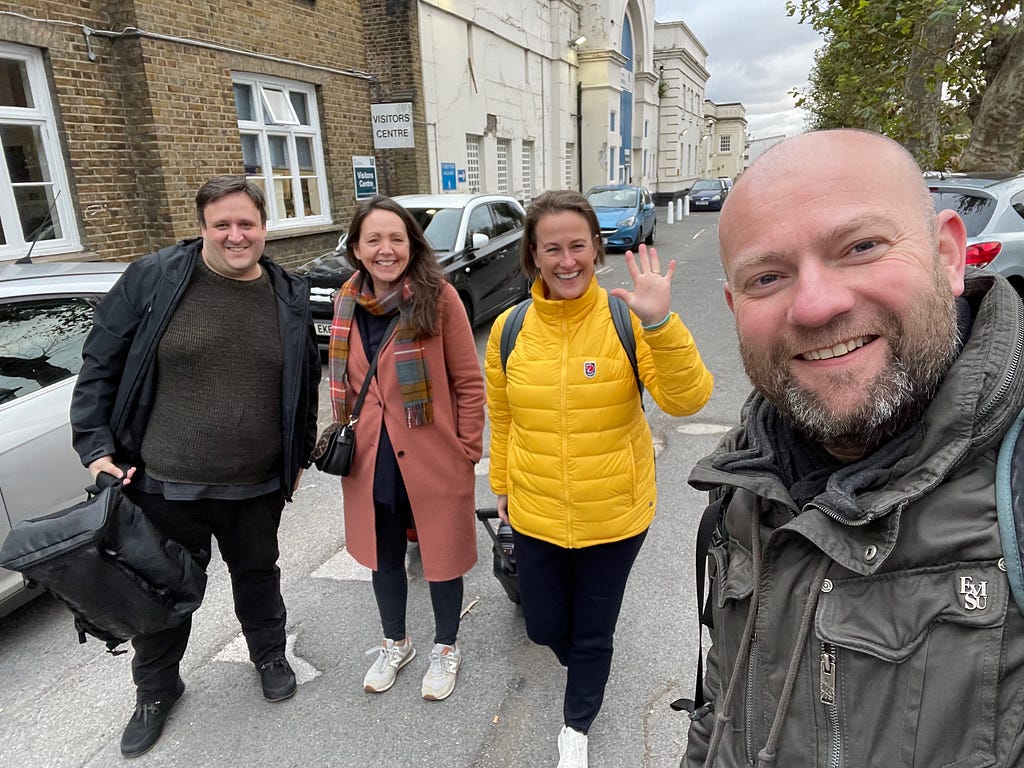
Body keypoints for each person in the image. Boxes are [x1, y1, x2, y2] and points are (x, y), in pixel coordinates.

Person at [683, 129, 1024, 768]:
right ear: (734, 306)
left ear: (949, 255)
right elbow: (722, 708)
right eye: (767, 276)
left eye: (861, 246)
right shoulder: (745, 484)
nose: (814, 305)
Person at [70, 176, 321, 758]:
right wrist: (95, 445)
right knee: (160, 589)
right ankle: (156, 690)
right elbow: (101, 361)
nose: (236, 235)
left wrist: (299, 453)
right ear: (203, 226)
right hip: (163, 481)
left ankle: (269, 654)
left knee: (258, 575)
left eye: (247, 224)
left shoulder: (286, 292)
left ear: (264, 227)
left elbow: (304, 382)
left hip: (256, 484)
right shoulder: (155, 278)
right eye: (222, 225)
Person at [485, 189, 714, 767]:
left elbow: (688, 399)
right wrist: (504, 488)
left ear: (595, 249)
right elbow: (504, 418)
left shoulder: (626, 318)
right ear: (533, 256)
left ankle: (575, 728)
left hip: (615, 514)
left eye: (578, 246)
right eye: (552, 248)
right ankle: (585, 665)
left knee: (592, 633)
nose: (567, 261)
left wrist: (661, 320)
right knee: (542, 627)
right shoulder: (509, 330)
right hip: (535, 511)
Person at [327, 195, 484, 701]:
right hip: (372, 457)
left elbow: (468, 382)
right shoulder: (345, 301)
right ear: (356, 248)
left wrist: (467, 450)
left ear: (412, 245)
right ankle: (396, 642)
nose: (385, 249)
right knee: (384, 556)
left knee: (442, 554)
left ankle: (445, 646)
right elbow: (347, 386)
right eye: (373, 239)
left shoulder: (438, 299)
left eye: (396, 238)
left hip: (433, 455)